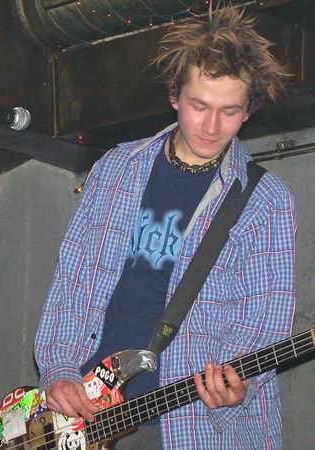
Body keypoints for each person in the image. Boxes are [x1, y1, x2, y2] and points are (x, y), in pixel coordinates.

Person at [34, 5, 296, 449]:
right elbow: (73, 281)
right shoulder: (117, 168)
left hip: (191, 426)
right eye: (199, 106)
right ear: (175, 95)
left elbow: (263, 322)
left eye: (229, 111)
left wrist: (239, 386)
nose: (211, 126)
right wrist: (59, 369)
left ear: (248, 111)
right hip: (88, 419)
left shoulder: (266, 202)